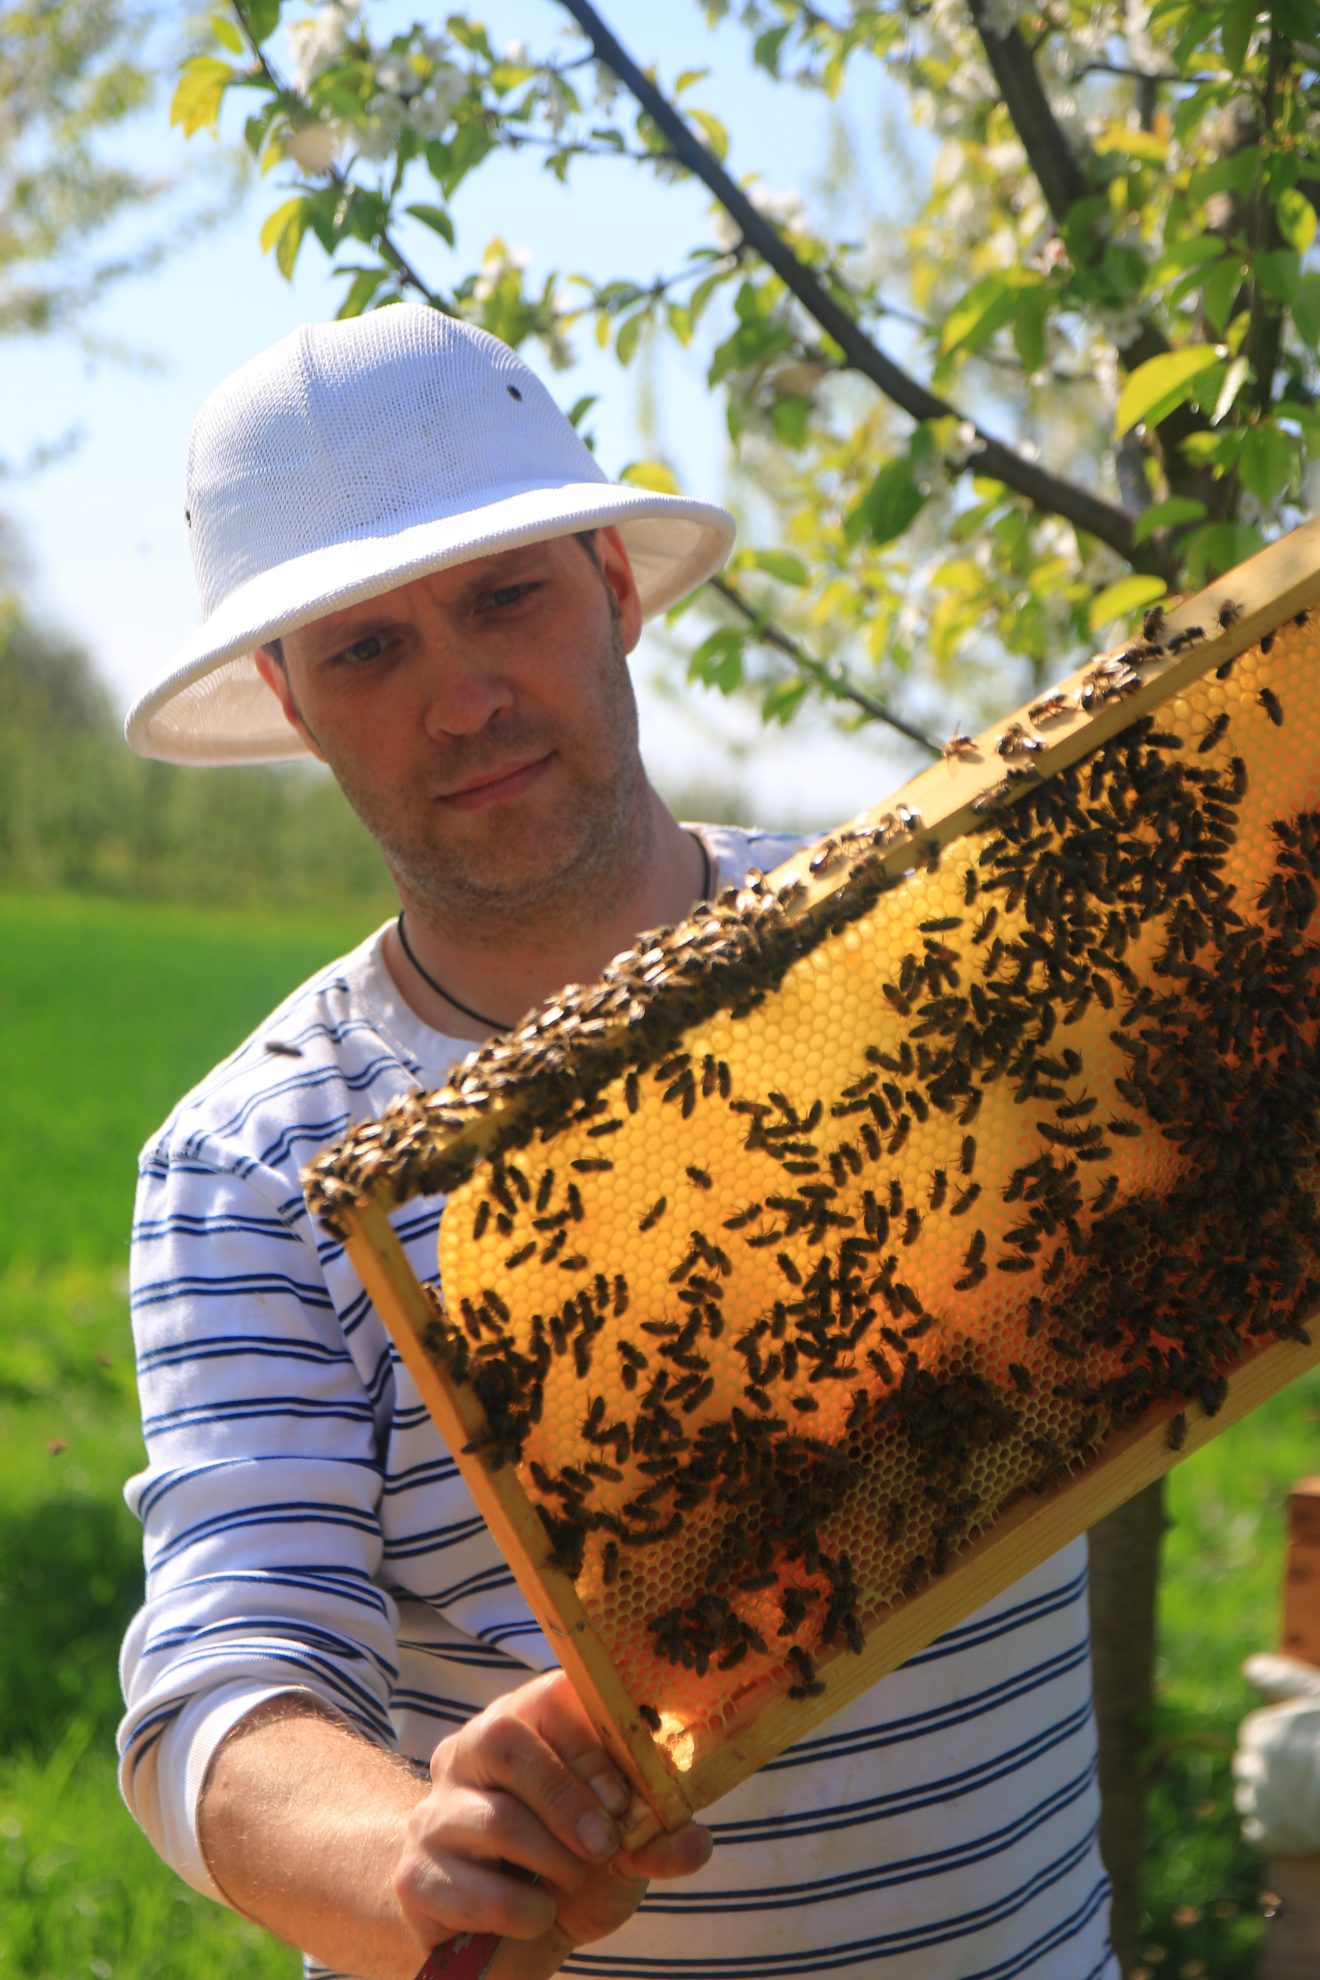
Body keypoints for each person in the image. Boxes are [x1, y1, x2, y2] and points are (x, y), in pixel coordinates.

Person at [118, 306, 1116, 1980]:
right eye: (367, 649)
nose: (464, 700)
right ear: (290, 701)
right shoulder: (248, 1162)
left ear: (615, 586)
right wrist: (414, 1854)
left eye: (504, 598)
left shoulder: (921, 954)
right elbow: (224, 1679)